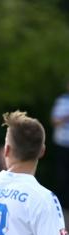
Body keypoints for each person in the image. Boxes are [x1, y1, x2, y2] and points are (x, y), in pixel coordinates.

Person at [51, 82, 69, 223]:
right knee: (62, 179)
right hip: (62, 145)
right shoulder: (62, 101)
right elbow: (54, 121)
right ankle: (62, 211)